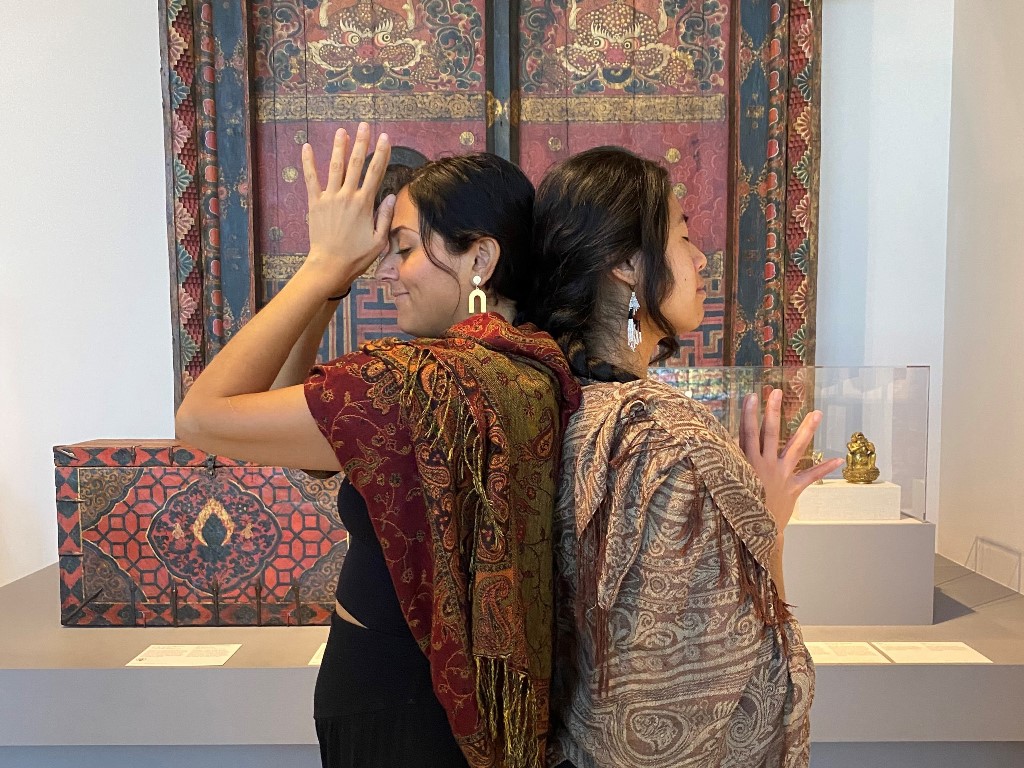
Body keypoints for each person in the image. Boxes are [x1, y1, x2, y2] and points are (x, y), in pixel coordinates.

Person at [176, 124, 581, 768]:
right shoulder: (528, 369)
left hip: (396, 709)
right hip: (464, 706)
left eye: (404, 249)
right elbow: (307, 442)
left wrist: (321, 267)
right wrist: (332, 287)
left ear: (480, 258)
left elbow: (200, 419)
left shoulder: (412, 385)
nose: (386, 273)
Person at [523, 146, 844, 768]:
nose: (700, 259)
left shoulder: (549, 401)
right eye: (682, 235)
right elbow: (750, 688)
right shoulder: (675, 443)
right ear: (625, 262)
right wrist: (766, 523)